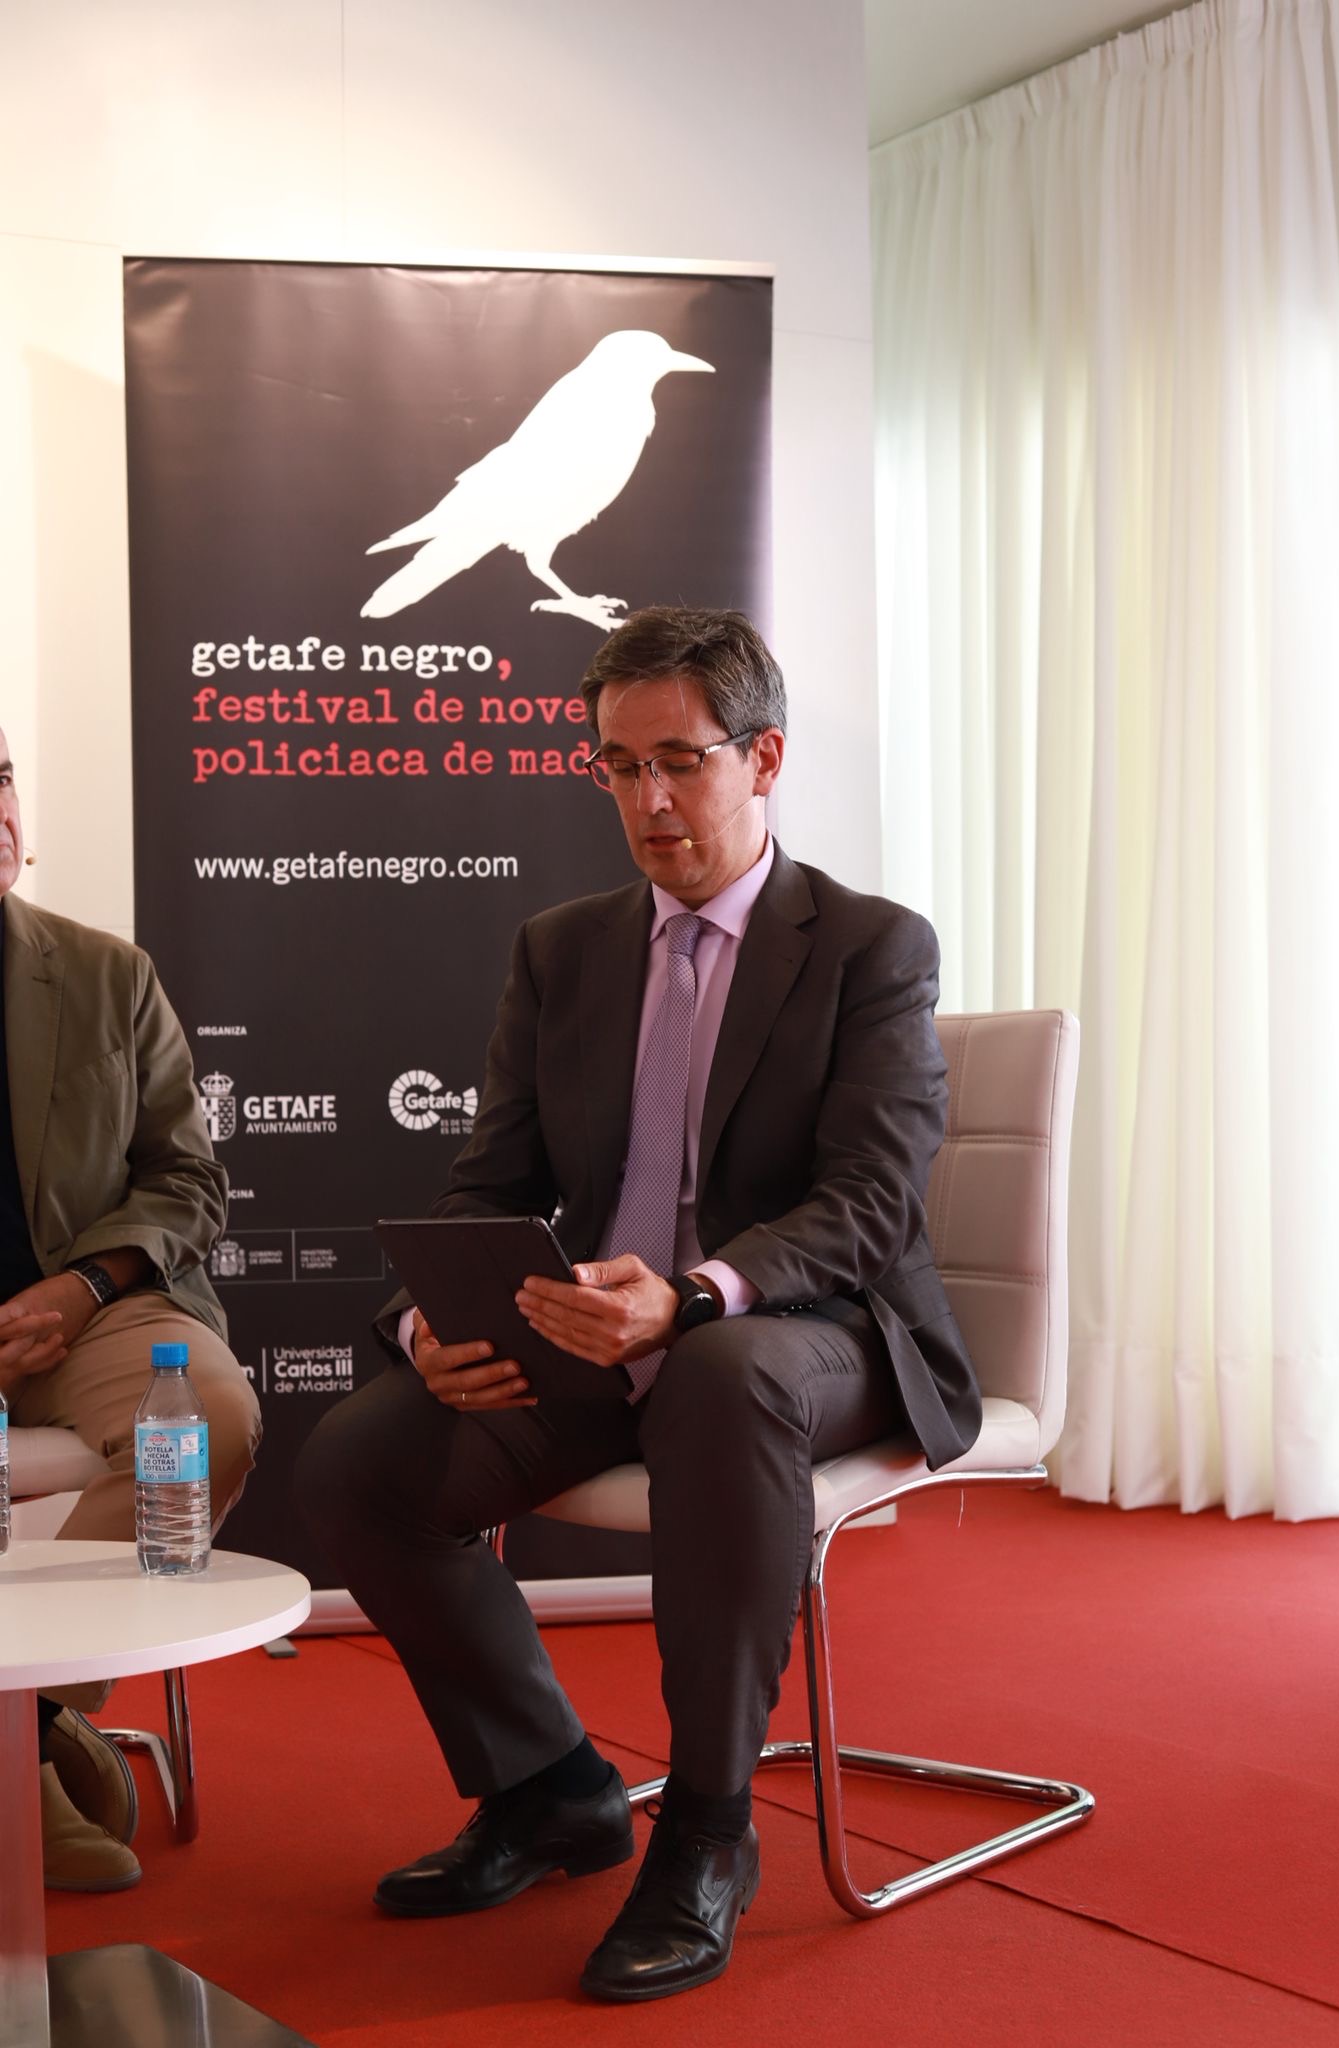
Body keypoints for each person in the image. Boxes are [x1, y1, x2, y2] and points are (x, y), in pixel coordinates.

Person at [297, 608, 980, 2001]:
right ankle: (550, 1784)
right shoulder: (563, 949)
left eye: (679, 759)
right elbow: (491, 1186)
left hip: (818, 1332)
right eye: (617, 765)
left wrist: (694, 1295)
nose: (647, 798)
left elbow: (868, 1202)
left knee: (723, 1373)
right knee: (362, 1463)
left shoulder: (868, 947)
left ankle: (710, 1833)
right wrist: (431, 1323)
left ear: (763, 758)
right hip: (602, 1338)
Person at [0, 729, 261, 1890]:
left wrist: (86, 1283)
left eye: (0, 778)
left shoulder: (105, 972)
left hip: (84, 1309)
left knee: (204, 1416)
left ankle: (30, 1721)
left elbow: (187, 1179)